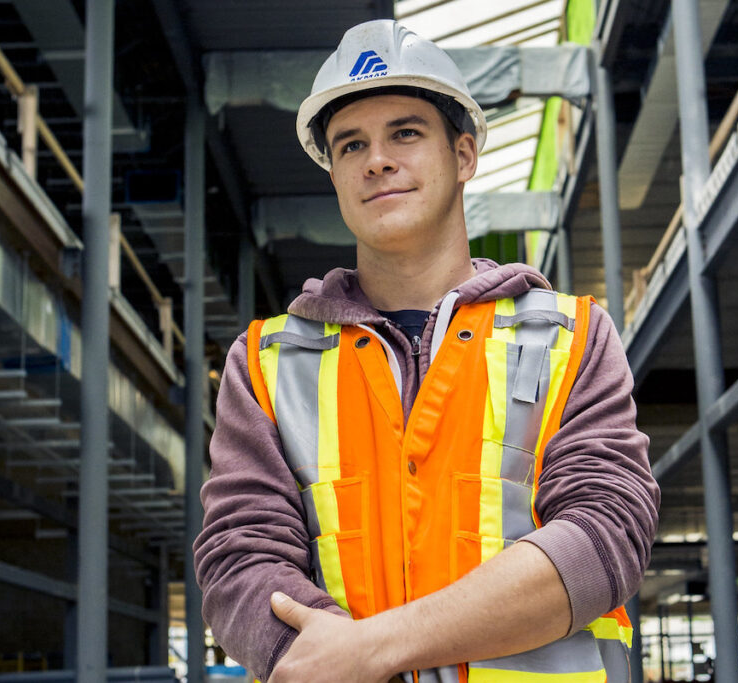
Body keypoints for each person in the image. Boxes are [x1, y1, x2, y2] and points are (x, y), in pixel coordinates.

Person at [193, 19, 659, 683]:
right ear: (335, 174)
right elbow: (240, 557)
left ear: (464, 156)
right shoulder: (266, 363)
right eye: (351, 145)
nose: (377, 159)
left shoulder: (572, 338)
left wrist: (372, 650)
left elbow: (605, 533)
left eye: (405, 133)